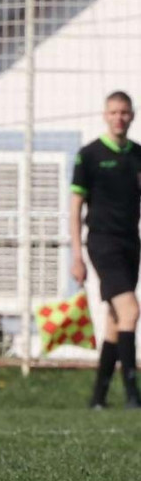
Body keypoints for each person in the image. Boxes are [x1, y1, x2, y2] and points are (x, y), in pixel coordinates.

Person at [70, 90, 141, 410]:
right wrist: (77, 255)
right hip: (102, 243)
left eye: (124, 112)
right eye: (113, 112)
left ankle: (98, 398)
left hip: (130, 243)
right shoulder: (90, 155)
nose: (119, 118)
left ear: (132, 116)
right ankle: (132, 395)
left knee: (116, 319)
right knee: (131, 311)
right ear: (104, 115)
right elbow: (75, 208)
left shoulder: (138, 155)